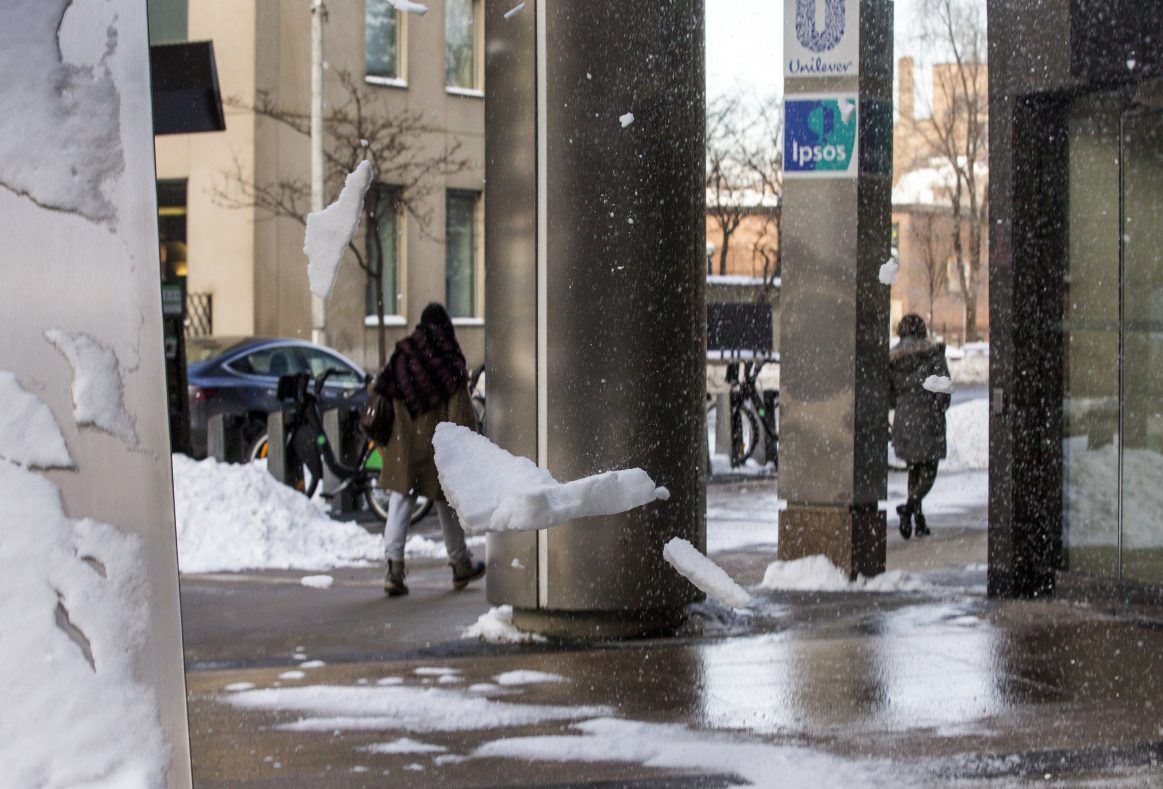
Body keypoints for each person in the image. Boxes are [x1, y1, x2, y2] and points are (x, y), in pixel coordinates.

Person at [372, 303, 486, 596]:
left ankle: (393, 569)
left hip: (404, 446)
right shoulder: (449, 362)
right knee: (446, 503)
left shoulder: (403, 355)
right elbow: (461, 415)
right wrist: (470, 445)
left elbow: (382, 391)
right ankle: (460, 564)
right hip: (438, 447)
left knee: (399, 504)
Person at [888, 314, 951, 540]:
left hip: (904, 419)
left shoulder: (893, 357)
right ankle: (909, 507)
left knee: (914, 467)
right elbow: (942, 386)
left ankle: (918, 520)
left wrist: (903, 402)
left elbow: (889, 396)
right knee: (929, 470)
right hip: (927, 416)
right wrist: (940, 405)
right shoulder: (932, 352)